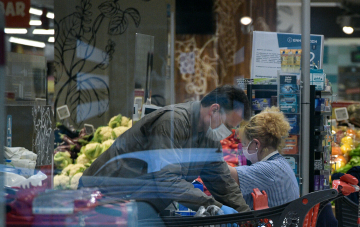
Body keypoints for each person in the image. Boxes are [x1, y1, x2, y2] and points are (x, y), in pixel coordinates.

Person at [80, 85, 252, 216]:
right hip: (104, 200)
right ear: (214, 109)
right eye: (229, 125)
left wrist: (247, 218)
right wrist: (216, 208)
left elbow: (222, 182)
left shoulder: (208, 136)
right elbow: (167, 181)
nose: (229, 132)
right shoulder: (172, 123)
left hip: (135, 204)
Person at [228, 107, 299, 208]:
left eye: (245, 143)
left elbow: (228, 174)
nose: (243, 148)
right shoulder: (279, 163)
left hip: (276, 223)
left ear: (256, 144)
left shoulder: (270, 169)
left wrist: (207, 158)